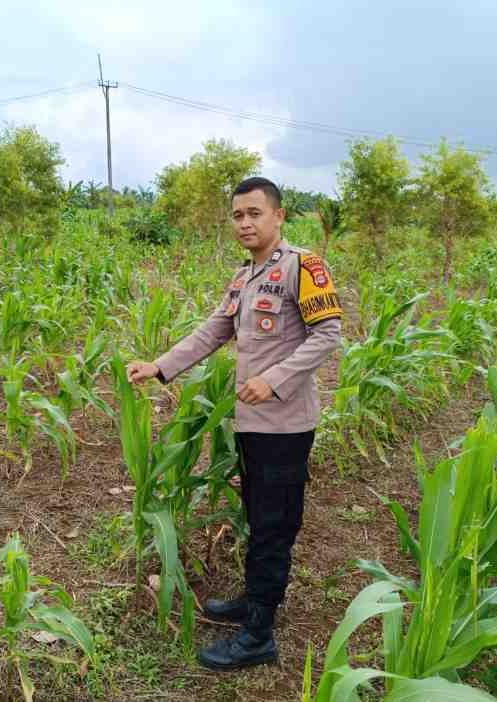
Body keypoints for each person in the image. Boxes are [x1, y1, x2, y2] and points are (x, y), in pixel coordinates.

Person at [127, 177, 342, 671]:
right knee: (257, 513)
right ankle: (254, 600)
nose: (245, 223)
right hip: (251, 424)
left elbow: (328, 333)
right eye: (237, 215)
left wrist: (274, 379)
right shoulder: (246, 277)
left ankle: (259, 634)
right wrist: (160, 366)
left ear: (279, 216)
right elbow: (215, 328)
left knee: (274, 523)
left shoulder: (302, 267)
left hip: (284, 424)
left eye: (254, 214)